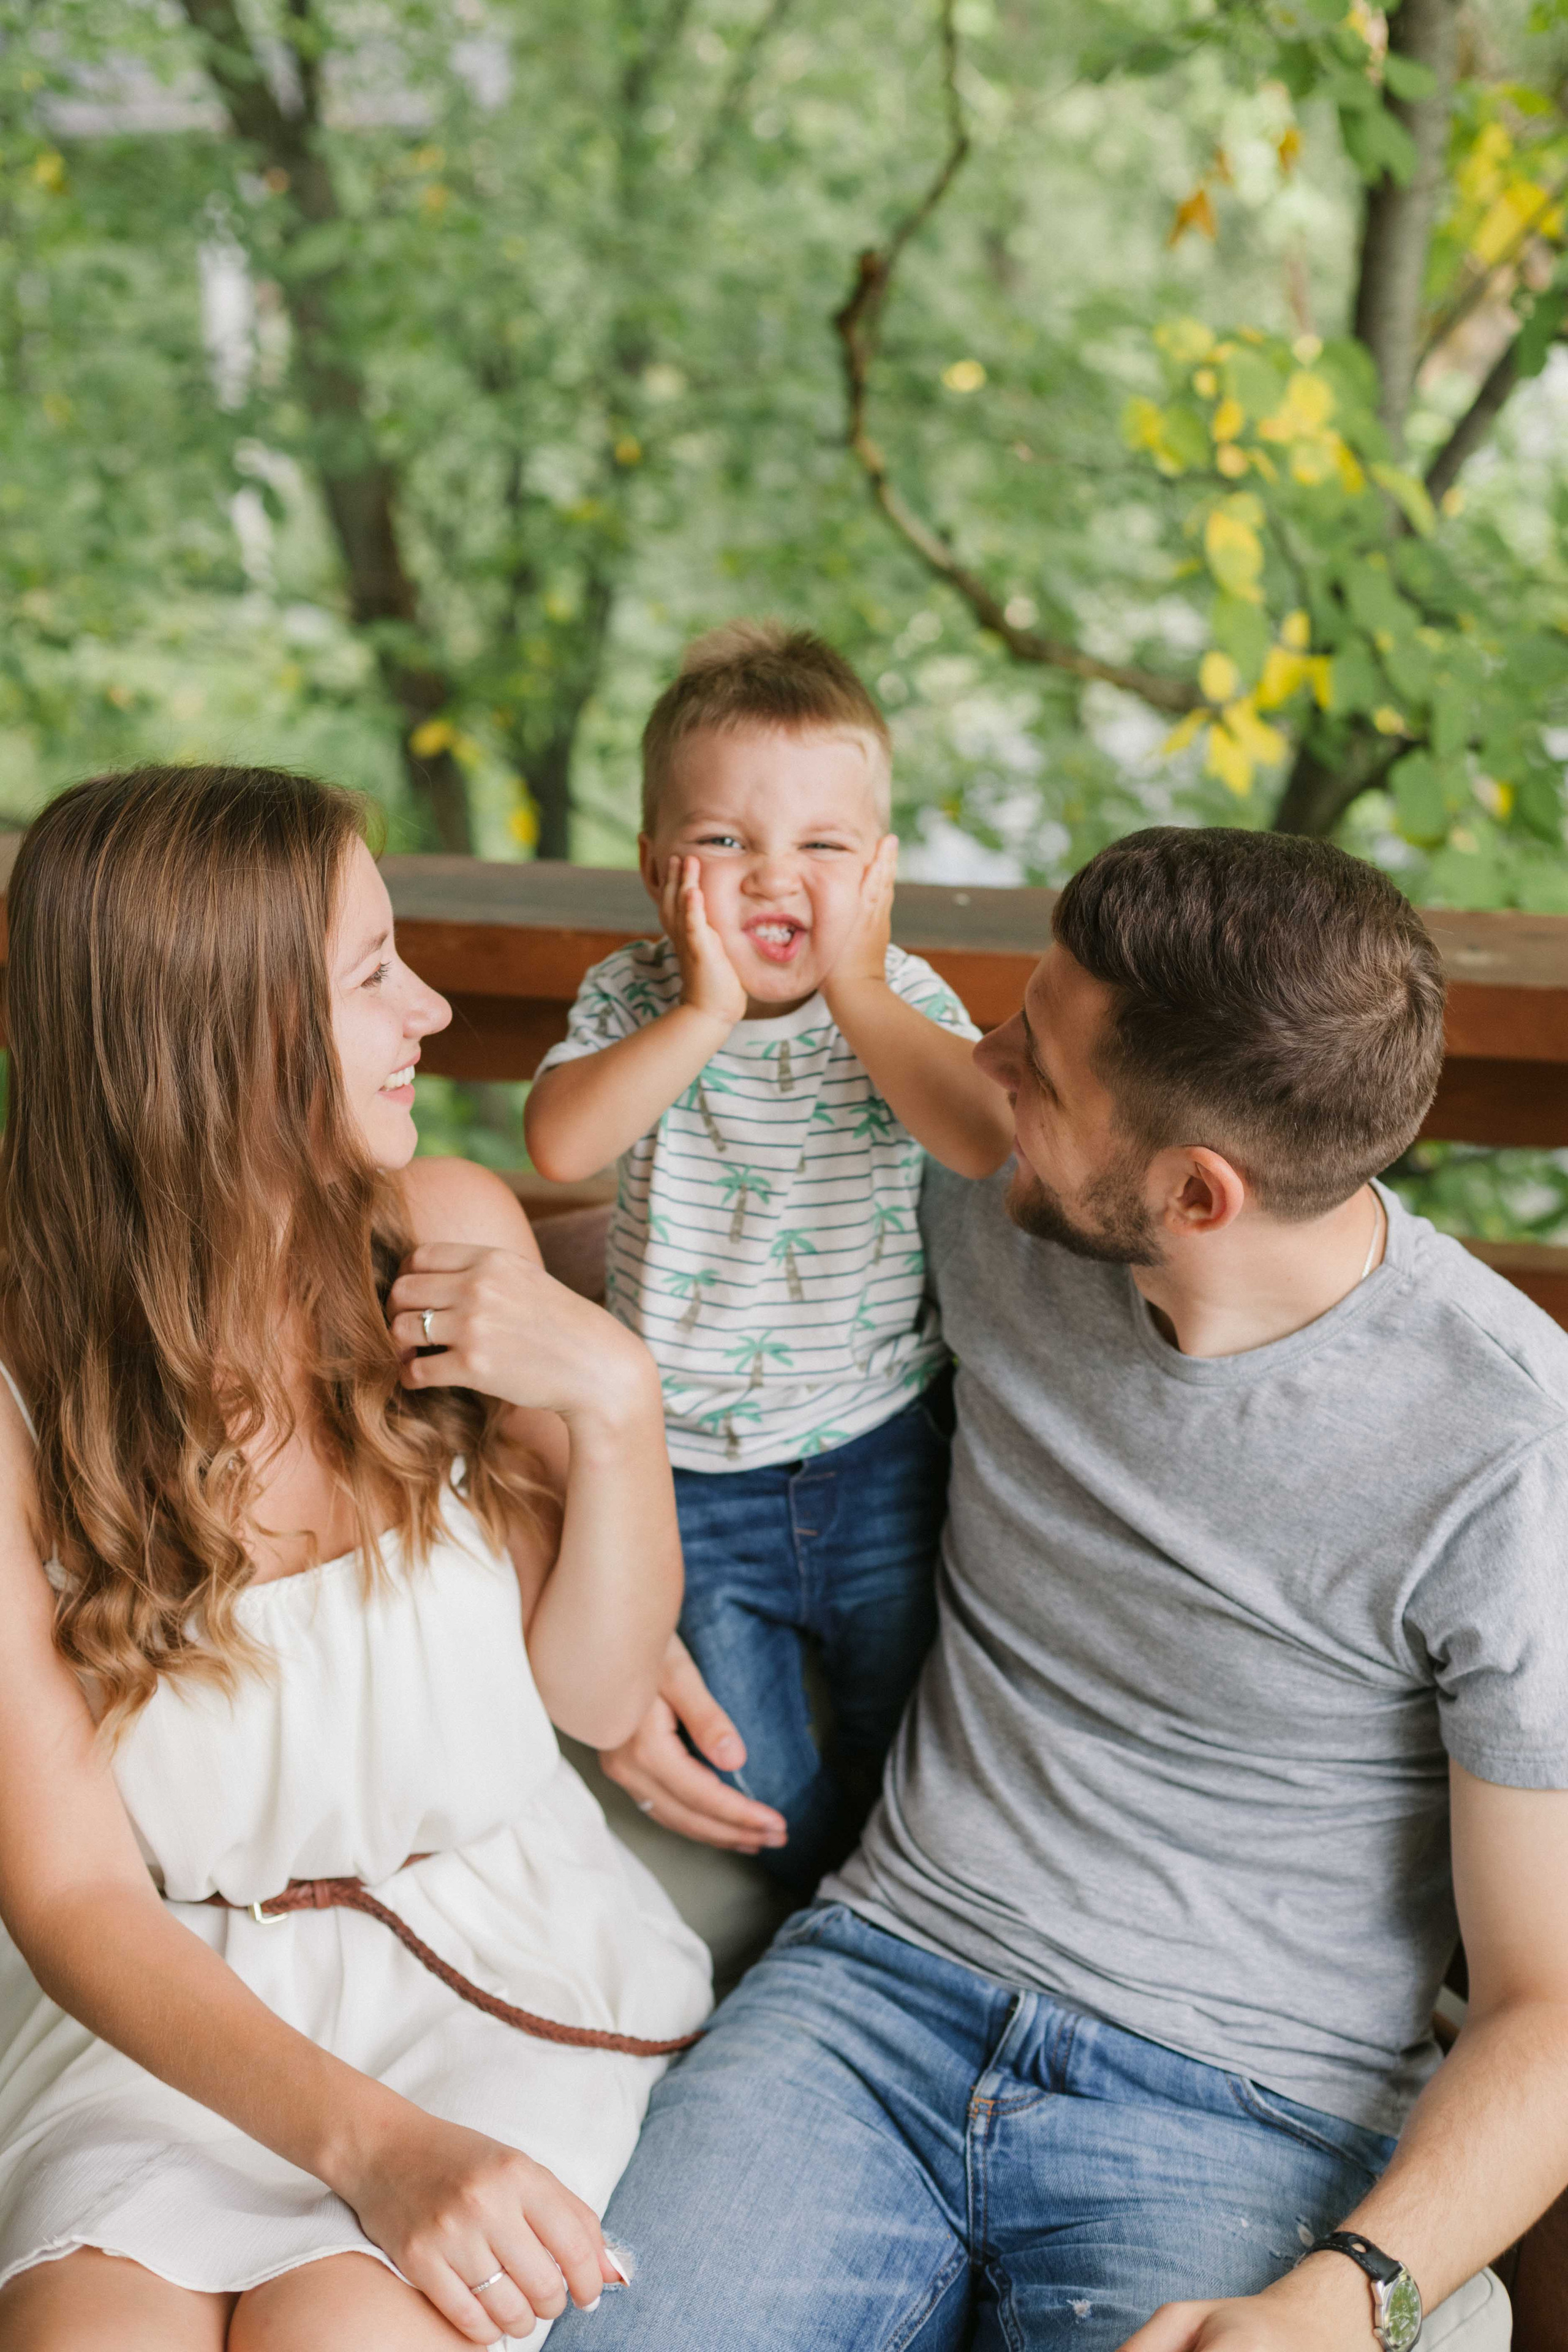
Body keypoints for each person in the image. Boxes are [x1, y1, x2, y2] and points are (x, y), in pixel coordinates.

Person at [565, 827, 1568, 2352]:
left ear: (1194, 1194)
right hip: (872, 1990)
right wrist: (583, 1566)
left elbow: (1543, 2004)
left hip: (1241, 2102)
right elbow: (650, 1287)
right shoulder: (995, 1189)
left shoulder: (1502, 1450)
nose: (978, 1061)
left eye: (1034, 1063)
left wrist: (1347, 2296)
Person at [0, 766, 710, 2352]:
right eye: (374, 972)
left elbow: (594, 1696)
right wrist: (377, 2153)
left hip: (490, 1960)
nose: (435, 1009)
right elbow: (65, 1891)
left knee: (343, 2329)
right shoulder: (18, 1388)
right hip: (172, 2012)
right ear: (223, 1035)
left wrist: (615, 1399)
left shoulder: (443, 1235)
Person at [525, 623, 1012, 1891]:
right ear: (651, 866)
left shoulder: (900, 1001)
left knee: (908, 1733)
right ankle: (812, 1912)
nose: (770, 878)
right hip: (682, 1479)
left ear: (880, 872)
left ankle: (896, 1907)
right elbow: (564, 1139)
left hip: (875, 1448)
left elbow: (979, 1137)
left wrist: (859, 987)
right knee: (752, 1774)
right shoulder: (636, 999)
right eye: (722, 840)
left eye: (821, 846)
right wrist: (703, 1012)